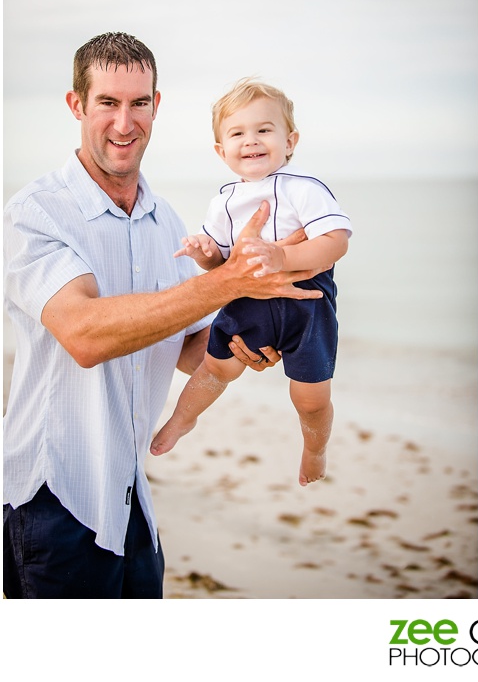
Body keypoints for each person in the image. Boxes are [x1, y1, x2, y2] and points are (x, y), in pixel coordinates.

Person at [3, 32, 322, 598]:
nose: (125, 122)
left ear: (157, 105)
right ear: (77, 105)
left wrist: (251, 336)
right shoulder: (37, 212)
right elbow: (84, 334)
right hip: (53, 498)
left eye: (139, 103)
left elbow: (187, 346)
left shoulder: (165, 220)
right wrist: (227, 280)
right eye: (108, 102)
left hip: (132, 500)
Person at [150, 79, 351, 486]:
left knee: (310, 399)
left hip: (305, 305)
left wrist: (283, 256)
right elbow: (220, 264)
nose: (251, 141)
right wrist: (204, 250)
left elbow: (336, 242)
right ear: (222, 151)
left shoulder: (304, 190)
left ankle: (315, 449)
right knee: (214, 369)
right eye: (237, 133)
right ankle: (181, 421)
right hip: (247, 303)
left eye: (264, 130)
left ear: (289, 140)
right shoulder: (224, 201)